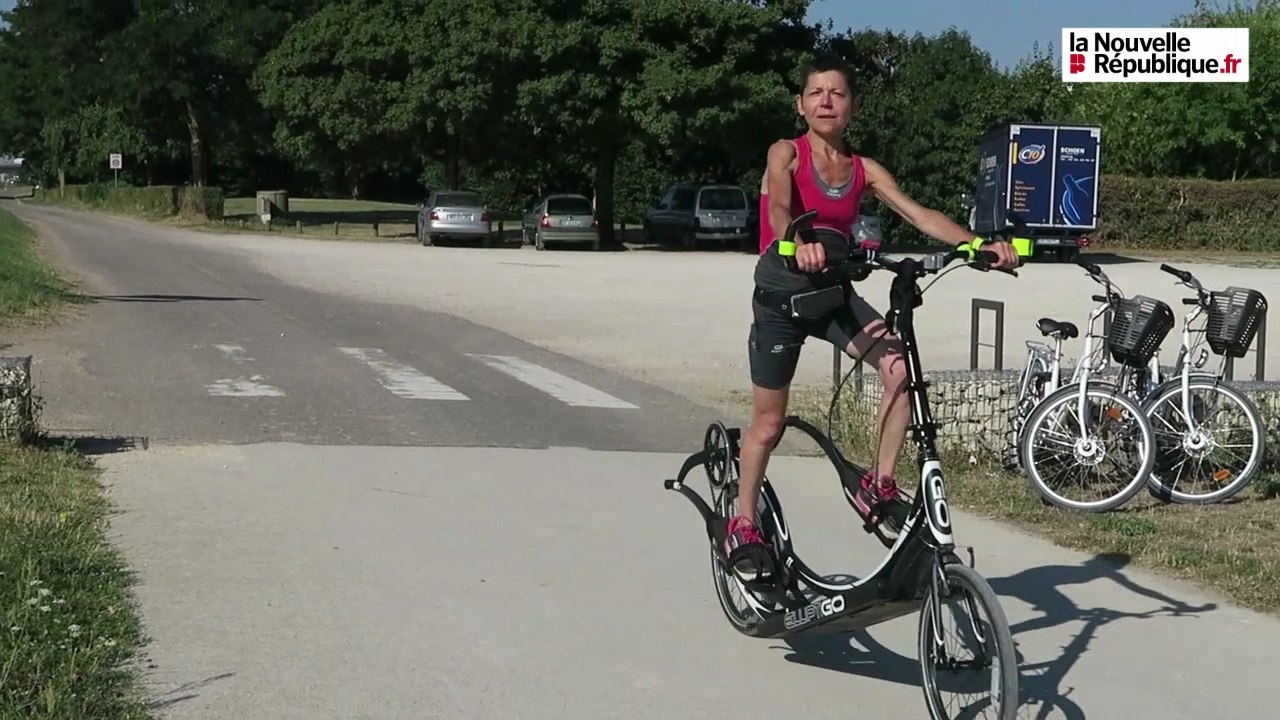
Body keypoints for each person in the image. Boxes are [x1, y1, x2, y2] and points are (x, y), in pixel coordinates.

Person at [726, 56, 1019, 573]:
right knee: (768, 426)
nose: (825, 101)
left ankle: (877, 485)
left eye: (836, 93)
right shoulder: (786, 152)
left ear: (852, 107)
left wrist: (978, 246)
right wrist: (799, 236)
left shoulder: (864, 169)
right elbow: (778, 204)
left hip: (834, 294)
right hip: (782, 298)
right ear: (801, 105)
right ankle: (743, 521)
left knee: (900, 370)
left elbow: (919, 214)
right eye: (815, 93)